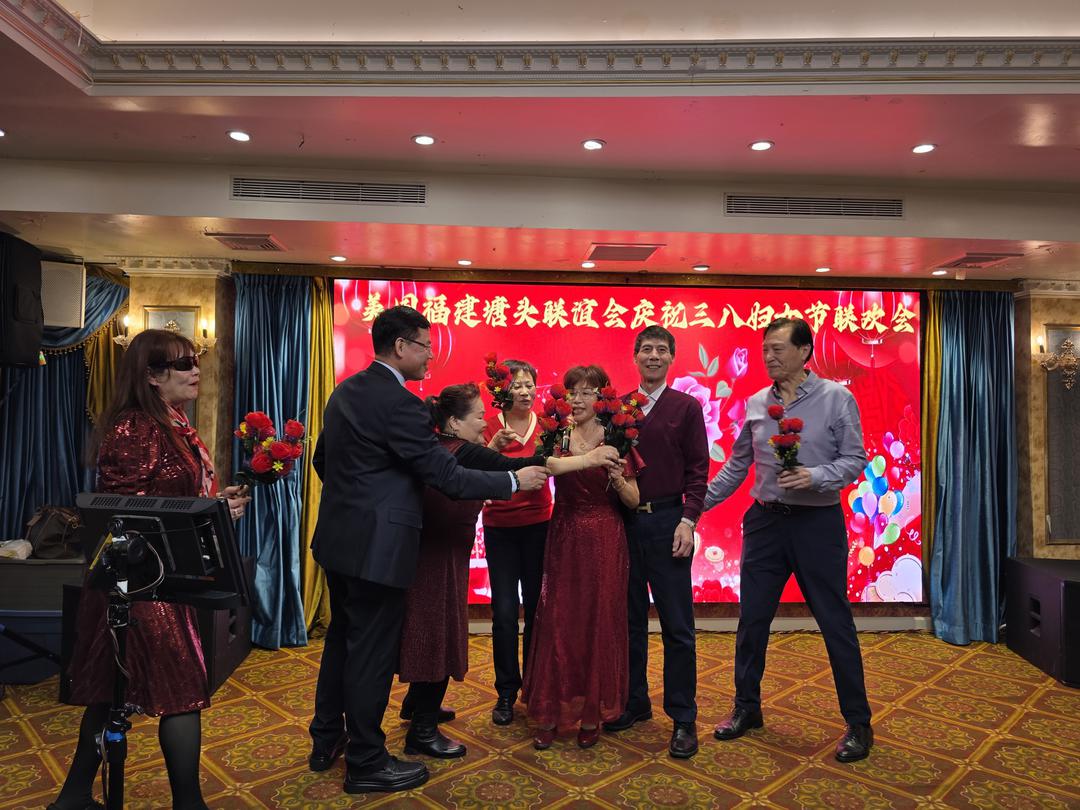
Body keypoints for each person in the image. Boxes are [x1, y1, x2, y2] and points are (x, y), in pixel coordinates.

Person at [307, 306, 549, 795]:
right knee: (371, 654)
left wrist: (360, 502)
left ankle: (326, 737)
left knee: (342, 642)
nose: (429, 357)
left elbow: (322, 461)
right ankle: (367, 761)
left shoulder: (345, 392)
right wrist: (512, 480)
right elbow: (445, 476)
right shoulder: (403, 404)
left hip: (337, 540)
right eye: (425, 346)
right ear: (401, 346)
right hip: (379, 550)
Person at [51, 329, 250, 810]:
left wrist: (214, 506)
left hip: (157, 580)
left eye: (195, 360)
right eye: (183, 364)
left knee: (110, 693)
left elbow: (169, 502)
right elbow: (126, 515)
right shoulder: (136, 427)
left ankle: (73, 796)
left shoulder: (172, 422)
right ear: (152, 377)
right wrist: (207, 511)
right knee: (181, 689)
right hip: (136, 586)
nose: (196, 370)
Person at [398, 382, 616, 759]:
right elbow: (521, 467)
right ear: (454, 422)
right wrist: (588, 459)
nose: (486, 423)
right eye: (479, 416)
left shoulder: (442, 447)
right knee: (436, 634)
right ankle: (423, 729)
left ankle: (417, 706)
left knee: (431, 630)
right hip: (438, 558)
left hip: (437, 553)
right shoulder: (459, 450)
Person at [703, 317, 873, 762]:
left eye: (777, 349)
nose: (769, 357)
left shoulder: (836, 398)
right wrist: (694, 506)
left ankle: (858, 722)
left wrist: (815, 476)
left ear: (804, 351)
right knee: (752, 620)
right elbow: (737, 465)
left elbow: (855, 459)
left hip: (817, 525)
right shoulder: (757, 404)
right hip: (766, 524)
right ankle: (747, 707)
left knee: (835, 622)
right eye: (765, 350)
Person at [603, 326, 709, 759]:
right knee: (628, 621)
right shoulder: (619, 408)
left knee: (677, 626)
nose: (653, 356)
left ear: (671, 358)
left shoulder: (686, 407)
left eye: (661, 350)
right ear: (635, 357)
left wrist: (688, 520)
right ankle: (635, 701)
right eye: (646, 349)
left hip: (669, 523)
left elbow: (699, 470)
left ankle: (683, 717)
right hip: (625, 523)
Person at [523, 365, 640, 750]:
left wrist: (618, 478)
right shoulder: (557, 434)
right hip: (565, 533)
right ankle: (551, 712)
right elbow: (544, 469)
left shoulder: (618, 436)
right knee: (558, 619)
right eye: (573, 392)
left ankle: (592, 714)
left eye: (587, 392)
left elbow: (633, 500)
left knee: (598, 620)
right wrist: (588, 460)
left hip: (605, 536)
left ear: (603, 398)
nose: (578, 399)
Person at [480, 359, 552, 726]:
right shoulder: (490, 428)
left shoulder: (549, 426)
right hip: (500, 530)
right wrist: (493, 446)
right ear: (502, 391)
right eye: (517, 386)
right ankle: (506, 691)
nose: (524, 392)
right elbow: (474, 471)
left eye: (529, 385)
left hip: (539, 527)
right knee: (505, 613)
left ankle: (536, 687)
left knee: (538, 611)